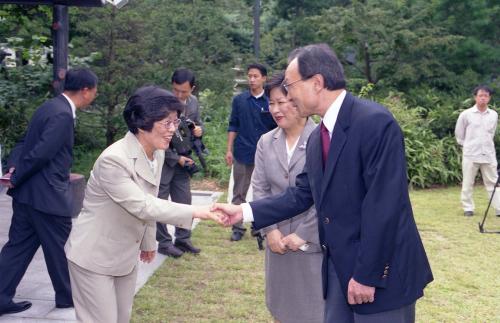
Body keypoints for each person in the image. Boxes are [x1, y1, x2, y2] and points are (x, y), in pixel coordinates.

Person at [214, 44, 433, 323]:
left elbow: (385, 207)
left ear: (317, 83)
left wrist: (367, 276)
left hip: (380, 276)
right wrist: (244, 212)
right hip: (339, 272)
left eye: (291, 85)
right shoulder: (319, 138)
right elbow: (301, 195)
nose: (288, 94)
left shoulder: (375, 123)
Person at [65, 86, 220, 323]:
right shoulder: (113, 160)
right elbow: (144, 205)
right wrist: (199, 211)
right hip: (94, 257)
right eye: (166, 123)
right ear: (142, 122)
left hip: (124, 255)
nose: (173, 130)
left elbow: (151, 196)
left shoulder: (156, 152)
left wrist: (149, 241)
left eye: (175, 122)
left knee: (121, 318)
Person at [0, 68, 98, 316]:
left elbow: (23, 144)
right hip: (48, 196)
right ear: (86, 90)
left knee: (17, 248)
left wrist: (13, 169)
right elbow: (41, 154)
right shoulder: (63, 115)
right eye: (95, 91)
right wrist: (16, 176)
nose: (94, 96)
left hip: (28, 196)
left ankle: (1, 297)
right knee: (64, 248)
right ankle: (68, 297)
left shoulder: (48, 107)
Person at [253, 72, 324, 323]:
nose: (275, 109)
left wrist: (304, 233)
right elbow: (260, 189)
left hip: (313, 245)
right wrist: (270, 230)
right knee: (281, 309)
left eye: (281, 101)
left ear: (297, 98)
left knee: (314, 310)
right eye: (271, 103)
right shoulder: (265, 142)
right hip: (277, 242)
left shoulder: (322, 139)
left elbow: (325, 196)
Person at [226, 63, 277, 241]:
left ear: (264, 78)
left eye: (256, 76)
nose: (252, 79)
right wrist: (229, 150)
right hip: (242, 151)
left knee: (262, 191)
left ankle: (259, 226)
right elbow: (233, 125)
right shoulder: (240, 101)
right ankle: (237, 227)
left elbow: (278, 127)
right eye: (250, 76)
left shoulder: (271, 101)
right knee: (239, 191)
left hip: (266, 154)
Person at [156, 68, 203, 258]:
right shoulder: (161, 103)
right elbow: (155, 136)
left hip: (185, 158)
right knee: (160, 203)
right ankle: (164, 242)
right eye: (176, 90)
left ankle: (183, 238)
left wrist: (199, 130)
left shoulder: (193, 103)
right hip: (165, 160)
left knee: (184, 201)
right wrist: (176, 159)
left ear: (192, 89)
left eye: (184, 91)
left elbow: (196, 124)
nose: (179, 95)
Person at [455, 86, 500, 217]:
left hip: (488, 154)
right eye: (480, 95)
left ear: (489, 98)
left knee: (493, 182)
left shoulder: (494, 115)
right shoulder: (466, 114)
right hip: (470, 154)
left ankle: (498, 208)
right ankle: (468, 208)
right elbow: (459, 134)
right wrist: (467, 146)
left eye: (486, 96)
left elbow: (491, 133)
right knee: (468, 182)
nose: (483, 98)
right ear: (475, 97)